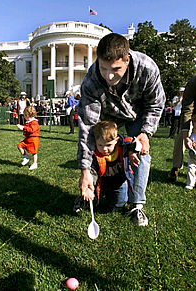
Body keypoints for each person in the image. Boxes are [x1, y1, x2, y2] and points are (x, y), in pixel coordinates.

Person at [77, 33, 166, 226]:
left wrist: (146, 132)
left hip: (138, 114)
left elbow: (156, 103)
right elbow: (88, 127)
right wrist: (84, 169)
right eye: (103, 68)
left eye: (116, 69)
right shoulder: (91, 81)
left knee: (140, 151)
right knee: (97, 148)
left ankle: (137, 205)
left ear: (127, 60)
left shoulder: (147, 68)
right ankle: (88, 193)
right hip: (107, 114)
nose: (109, 75)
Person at [74, 121, 144, 214]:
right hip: (101, 182)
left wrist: (133, 152)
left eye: (108, 145)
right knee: (93, 198)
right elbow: (93, 171)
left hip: (119, 183)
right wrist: (91, 187)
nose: (104, 149)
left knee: (119, 204)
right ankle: (83, 201)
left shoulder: (123, 145)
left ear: (116, 140)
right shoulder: (95, 155)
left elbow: (134, 142)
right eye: (100, 145)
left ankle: (114, 201)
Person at [168, 70, 196, 182]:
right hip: (194, 113)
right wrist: (186, 136)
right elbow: (187, 109)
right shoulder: (194, 82)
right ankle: (175, 167)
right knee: (180, 138)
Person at [17, 106, 40, 170]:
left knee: (34, 152)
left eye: (24, 115)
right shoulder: (28, 122)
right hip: (28, 138)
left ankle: (35, 163)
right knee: (20, 145)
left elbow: (32, 130)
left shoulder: (34, 122)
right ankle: (26, 157)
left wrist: (23, 128)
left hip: (33, 139)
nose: (24, 117)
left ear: (27, 115)